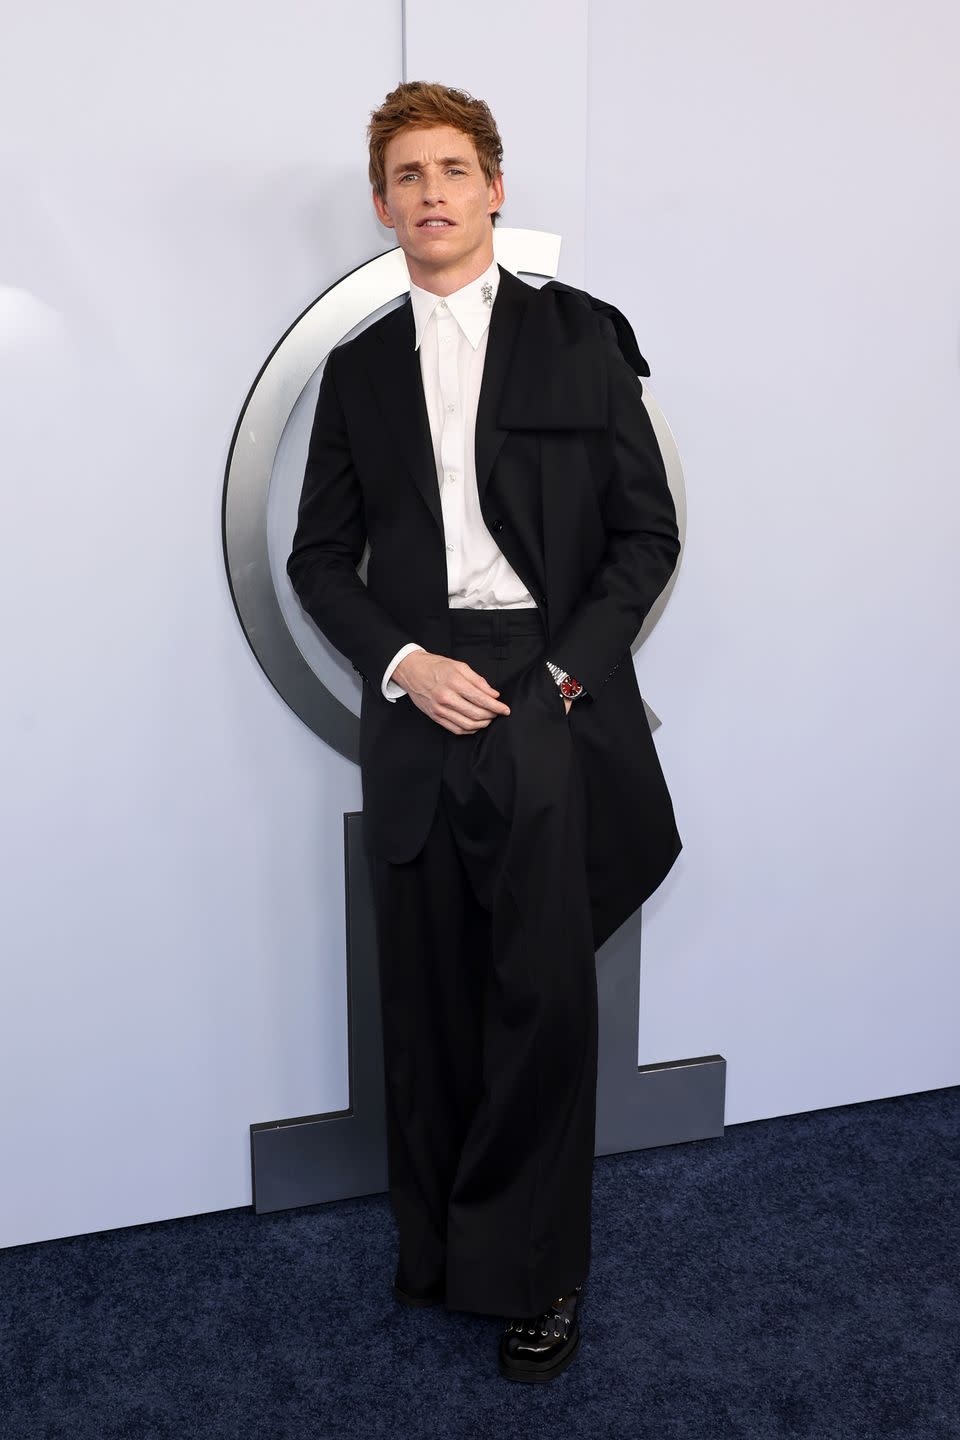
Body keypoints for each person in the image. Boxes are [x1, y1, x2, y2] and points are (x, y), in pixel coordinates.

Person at [287, 80, 682, 1383]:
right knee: (428, 999)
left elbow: (646, 535)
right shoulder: (353, 373)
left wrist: (563, 676)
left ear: (495, 187)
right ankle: (443, 1249)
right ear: (384, 203)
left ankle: (537, 1276)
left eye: (454, 168)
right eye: (408, 175)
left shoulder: (581, 336)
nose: (433, 193)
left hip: (543, 689)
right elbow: (317, 561)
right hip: (420, 699)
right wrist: (403, 663)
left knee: (537, 1005)